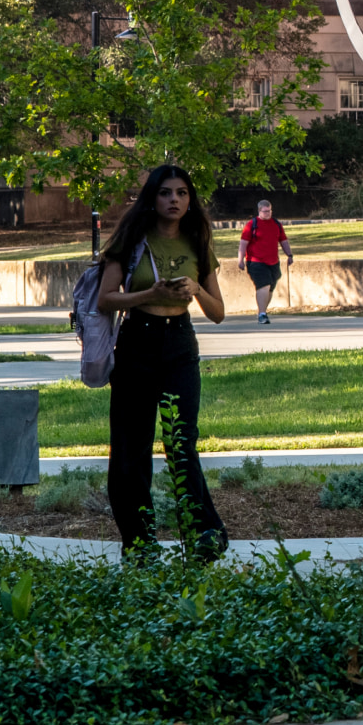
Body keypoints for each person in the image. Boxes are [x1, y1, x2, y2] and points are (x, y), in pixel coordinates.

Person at [92, 165, 229, 559]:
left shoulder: (198, 240)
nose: (175, 200)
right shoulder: (132, 239)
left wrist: (196, 288)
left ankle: (205, 534)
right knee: (131, 448)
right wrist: (147, 293)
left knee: (181, 442)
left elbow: (218, 312)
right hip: (138, 341)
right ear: (153, 198)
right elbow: (105, 299)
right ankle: (138, 541)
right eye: (166, 193)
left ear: (190, 199)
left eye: (182, 193)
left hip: (180, 344)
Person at [236, 198, 291, 325]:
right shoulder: (252, 225)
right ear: (259, 211)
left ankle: (263, 311)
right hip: (256, 261)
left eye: (269, 211)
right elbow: (243, 243)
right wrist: (241, 260)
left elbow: (283, 241)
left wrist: (289, 254)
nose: (267, 213)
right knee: (264, 285)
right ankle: (262, 314)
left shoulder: (276, 224)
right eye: (265, 211)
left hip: (273, 261)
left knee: (271, 286)